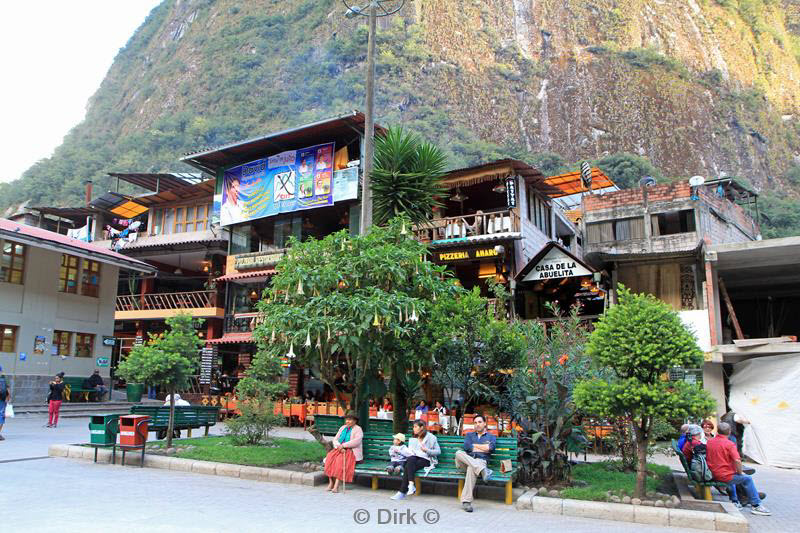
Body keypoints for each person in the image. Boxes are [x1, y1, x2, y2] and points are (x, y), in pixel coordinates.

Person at [455, 413, 496, 512]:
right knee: (458, 453)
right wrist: (482, 448)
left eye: (480, 422)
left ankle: (466, 501)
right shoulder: (469, 435)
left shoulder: (491, 437)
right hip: (465, 461)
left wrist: (475, 446)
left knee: (471, 468)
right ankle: (483, 470)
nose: (477, 424)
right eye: (475, 422)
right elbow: (466, 447)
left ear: (485, 424)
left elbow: (490, 448)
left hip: (480, 461)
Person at [391, 420, 440, 500]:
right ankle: (410, 485)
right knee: (410, 460)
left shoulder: (431, 437)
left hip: (426, 459)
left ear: (422, 427)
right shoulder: (414, 437)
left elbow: (438, 452)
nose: (413, 428)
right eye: (413, 427)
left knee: (408, 466)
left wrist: (427, 450)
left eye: (415, 427)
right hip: (414, 458)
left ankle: (402, 492)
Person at [324, 412, 363, 493]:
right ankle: (331, 483)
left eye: (350, 420)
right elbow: (335, 439)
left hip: (351, 451)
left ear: (355, 421)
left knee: (340, 462)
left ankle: (336, 486)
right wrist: (339, 446)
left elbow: (356, 441)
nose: (347, 421)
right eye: (347, 419)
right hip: (339, 449)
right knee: (329, 459)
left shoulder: (358, 429)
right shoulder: (342, 428)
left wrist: (344, 446)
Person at [0, 365, 10, 440]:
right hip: (2, 400)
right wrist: (8, 399)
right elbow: (8, 389)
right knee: (1, 416)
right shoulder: (4, 378)